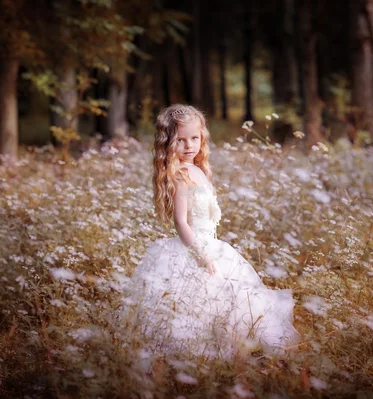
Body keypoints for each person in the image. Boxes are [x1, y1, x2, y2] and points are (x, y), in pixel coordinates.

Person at [127, 104, 300, 360]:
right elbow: (181, 223)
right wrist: (201, 255)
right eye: (181, 140)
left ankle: (232, 344)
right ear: (168, 142)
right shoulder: (181, 174)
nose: (189, 146)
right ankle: (202, 352)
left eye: (194, 138)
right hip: (195, 248)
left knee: (228, 298)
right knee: (197, 302)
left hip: (212, 244)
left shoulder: (196, 169)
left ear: (202, 137)